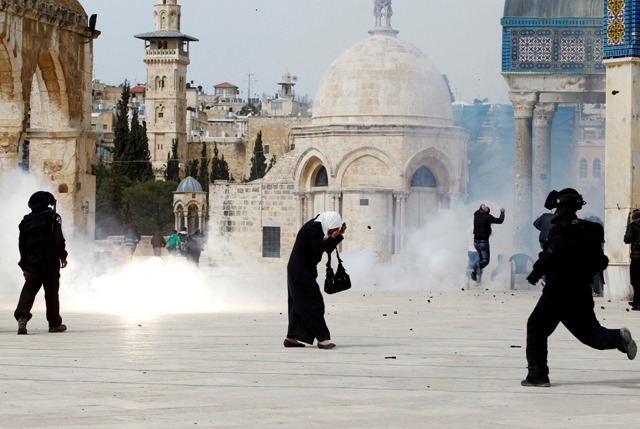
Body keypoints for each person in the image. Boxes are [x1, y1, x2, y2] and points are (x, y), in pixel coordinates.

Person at [523, 188, 637, 387]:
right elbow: (601, 261)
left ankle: (537, 375)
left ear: (560, 208)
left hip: (557, 289)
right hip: (581, 290)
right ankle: (617, 338)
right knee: (589, 332)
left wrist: (535, 272)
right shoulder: (592, 229)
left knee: (536, 328)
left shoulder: (560, 228)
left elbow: (551, 252)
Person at [285, 212, 346, 350]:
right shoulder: (314, 228)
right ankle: (322, 338)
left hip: (301, 269)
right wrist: (336, 236)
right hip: (300, 270)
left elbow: (325, 248)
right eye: (333, 229)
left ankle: (291, 337)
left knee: (297, 303)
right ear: (329, 224)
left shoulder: (319, 227)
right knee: (315, 302)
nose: (332, 232)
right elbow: (318, 249)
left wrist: (339, 235)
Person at [14, 191, 68, 335]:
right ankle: (54, 324)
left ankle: (22, 317)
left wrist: (24, 265)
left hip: (32, 260)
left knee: (29, 289)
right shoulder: (53, 217)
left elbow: (22, 246)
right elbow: (58, 239)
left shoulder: (25, 222)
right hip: (50, 259)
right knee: (51, 292)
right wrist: (62, 256)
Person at [470, 204, 505, 282]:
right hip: (483, 243)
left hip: (476, 242)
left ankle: (475, 272)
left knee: (480, 259)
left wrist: (501, 212)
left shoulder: (478, 214)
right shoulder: (482, 215)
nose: (484, 206)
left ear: (486, 211)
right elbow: (500, 220)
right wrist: (502, 212)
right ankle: (474, 269)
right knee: (485, 261)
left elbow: (499, 221)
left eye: (486, 207)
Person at [624, 210, 640, 310]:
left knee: (635, 280)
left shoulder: (633, 226)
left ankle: (637, 303)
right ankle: (636, 302)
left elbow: (627, 239)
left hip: (637, 257)